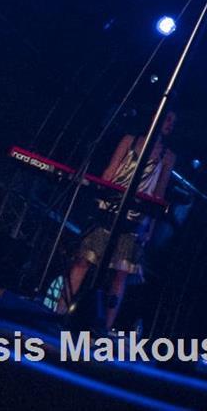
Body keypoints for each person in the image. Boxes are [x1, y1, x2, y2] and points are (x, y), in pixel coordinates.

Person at [60, 111, 177, 329]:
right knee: (83, 260)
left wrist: (150, 225)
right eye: (167, 119)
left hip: (135, 218)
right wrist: (100, 193)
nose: (170, 125)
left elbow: (159, 193)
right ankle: (59, 312)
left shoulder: (168, 156)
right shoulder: (130, 140)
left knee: (120, 273)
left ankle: (103, 328)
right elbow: (111, 170)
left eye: (173, 122)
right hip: (110, 208)